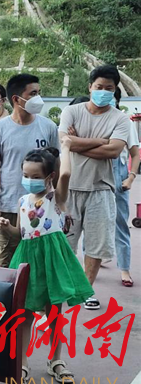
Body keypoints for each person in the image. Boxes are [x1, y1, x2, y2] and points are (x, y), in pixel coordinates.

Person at [0, 144, 93, 384]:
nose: (29, 180)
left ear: (50, 177)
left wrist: (66, 146)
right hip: (28, 260)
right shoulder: (22, 201)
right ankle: (22, 364)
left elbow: (66, 173)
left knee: (54, 314)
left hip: (51, 261)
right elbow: (21, 233)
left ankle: (55, 360)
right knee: (25, 315)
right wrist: (6, 228)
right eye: (26, 175)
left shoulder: (56, 198)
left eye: (35, 176)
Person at [59, 65, 132, 310]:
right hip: (68, 188)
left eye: (108, 88)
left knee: (96, 245)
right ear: (90, 87)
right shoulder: (72, 111)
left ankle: (86, 290)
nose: (103, 92)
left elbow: (114, 151)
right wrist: (101, 141)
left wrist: (76, 142)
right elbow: (63, 140)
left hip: (101, 189)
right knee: (64, 243)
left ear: (114, 90)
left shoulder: (120, 118)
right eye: (99, 87)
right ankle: (64, 286)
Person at [0, 74, 59, 268]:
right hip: (9, 208)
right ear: (16, 99)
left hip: (41, 207)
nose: (38, 98)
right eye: (32, 94)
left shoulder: (49, 127)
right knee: (6, 265)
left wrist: (59, 204)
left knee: (40, 265)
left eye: (39, 93)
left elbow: (56, 169)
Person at [111, 88, 139, 287]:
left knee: (120, 224)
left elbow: (135, 154)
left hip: (118, 179)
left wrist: (130, 178)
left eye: (109, 91)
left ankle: (124, 268)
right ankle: (89, 266)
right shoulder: (89, 119)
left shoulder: (124, 122)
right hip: (94, 180)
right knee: (91, 226)